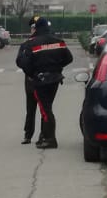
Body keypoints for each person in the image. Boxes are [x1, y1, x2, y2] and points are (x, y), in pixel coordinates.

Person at [15, 16, 73, 149]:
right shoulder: (58, 41)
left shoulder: (32, 43)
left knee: (45, 110)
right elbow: (69, 58)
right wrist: (57, 67)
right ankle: (44, 136)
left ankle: (50, 139)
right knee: (47, 108)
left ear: (37, 28)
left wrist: (32, 73)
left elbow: (23, 62)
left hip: (40, 80)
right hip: (55, 79)